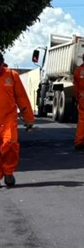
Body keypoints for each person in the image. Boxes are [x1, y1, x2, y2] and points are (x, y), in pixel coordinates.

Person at [0, 52, 35, 187]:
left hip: (8, 119)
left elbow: (21, 97)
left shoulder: (12, 76)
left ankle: (8, 171)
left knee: (10, 144)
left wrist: (29, 119)